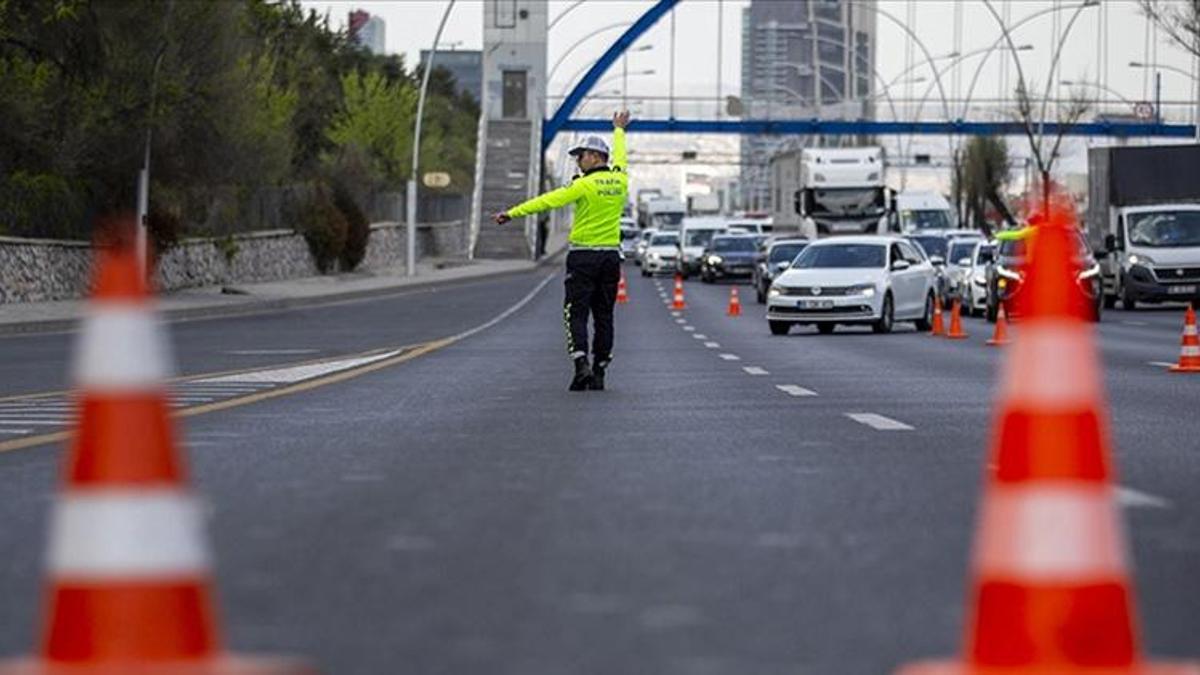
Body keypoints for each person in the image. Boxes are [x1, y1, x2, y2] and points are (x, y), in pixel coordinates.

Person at [495, 110, 631, 391]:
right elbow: (621, 157)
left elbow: (547, 201)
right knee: (604, 315)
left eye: (580, 156)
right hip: (610, 258)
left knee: (575, 312)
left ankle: (581, 363)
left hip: (583, 257)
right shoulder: (620, 181)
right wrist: (619, 129)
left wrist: (512, 213)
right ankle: (600, 370)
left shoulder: (582, 186)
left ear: (594, 156)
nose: (578, 161)